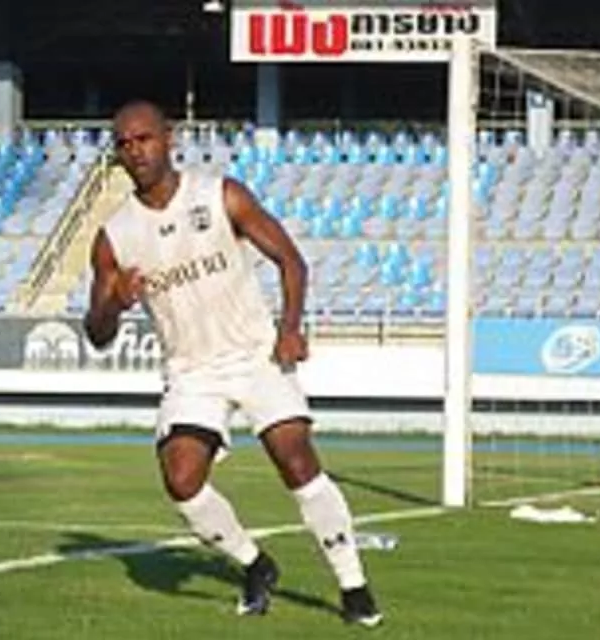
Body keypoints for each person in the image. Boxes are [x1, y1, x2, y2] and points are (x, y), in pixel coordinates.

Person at [83, 100, 382, 627]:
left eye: (144, 138)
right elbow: (97, 334)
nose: (135, 151)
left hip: (255, 354)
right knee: (181, 479)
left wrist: (290, 328)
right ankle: (255, 563)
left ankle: (353, 586)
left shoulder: (221, 194)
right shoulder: (115, 237)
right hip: (192, 371)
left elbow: (291, 261)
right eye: (124, 144)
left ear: (169, 138)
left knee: (295, 459)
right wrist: (115, 303)